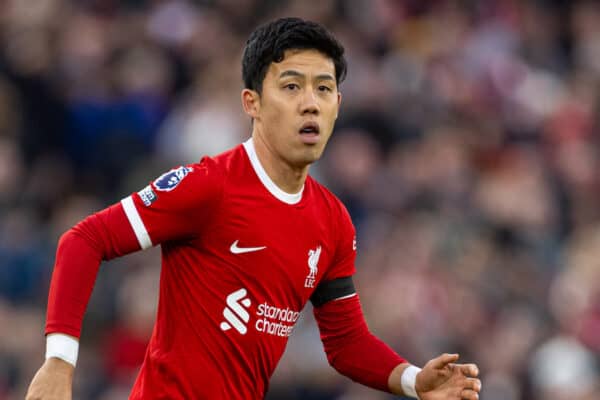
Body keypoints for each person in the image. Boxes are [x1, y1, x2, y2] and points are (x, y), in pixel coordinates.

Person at [26, 17, 482, 400]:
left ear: (338, 107)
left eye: (324, 89)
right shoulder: (209, 185)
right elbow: (84, 240)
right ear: (253, 104)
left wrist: (412, 380)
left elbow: (346, 342)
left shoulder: (333, 220)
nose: (310, 103)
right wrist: (59, 364)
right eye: (291, 86)